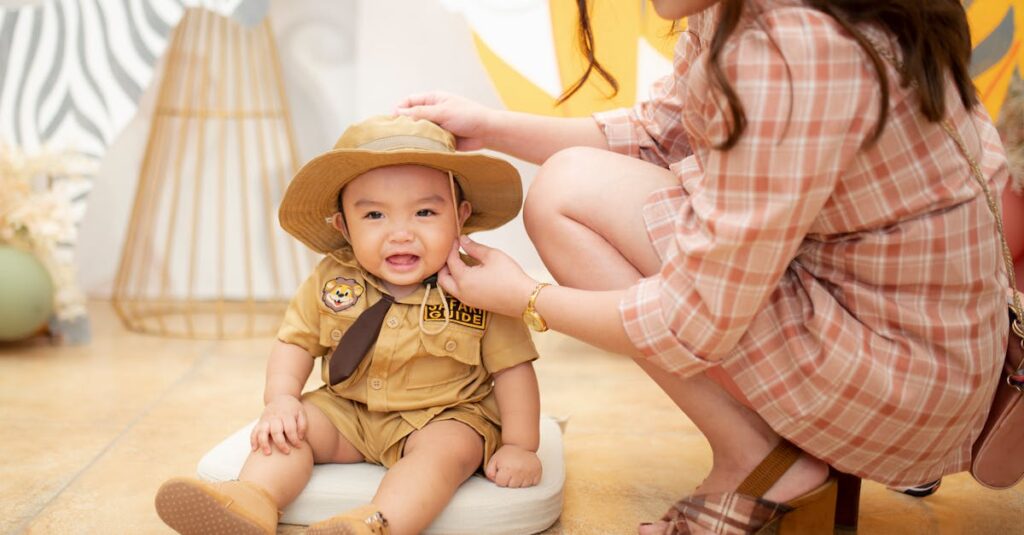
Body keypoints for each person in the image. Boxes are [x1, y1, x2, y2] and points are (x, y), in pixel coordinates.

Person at [396, 0, 1009, 533]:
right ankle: (768, 456)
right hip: (900, 326)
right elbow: (661, 130)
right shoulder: (747, 13)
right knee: (568, 188)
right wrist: (492, 127)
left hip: (903, 379)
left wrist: (527, 298)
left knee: (566, 194)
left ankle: (760, 464)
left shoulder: (793, 49)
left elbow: (694, 318)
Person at [153, 115, 543, 535]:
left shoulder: (480, 286)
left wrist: (521, 445)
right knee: (292, 430)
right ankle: (251, 501)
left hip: (445, 415)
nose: (400, 233)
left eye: (425, 212)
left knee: (442, 456)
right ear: (343, 226)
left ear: (460, 217)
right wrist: (281, 399)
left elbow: (513, 369)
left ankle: (377, 524)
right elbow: (295, 343)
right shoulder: (330, 280)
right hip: (348, 410)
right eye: (374, 215)